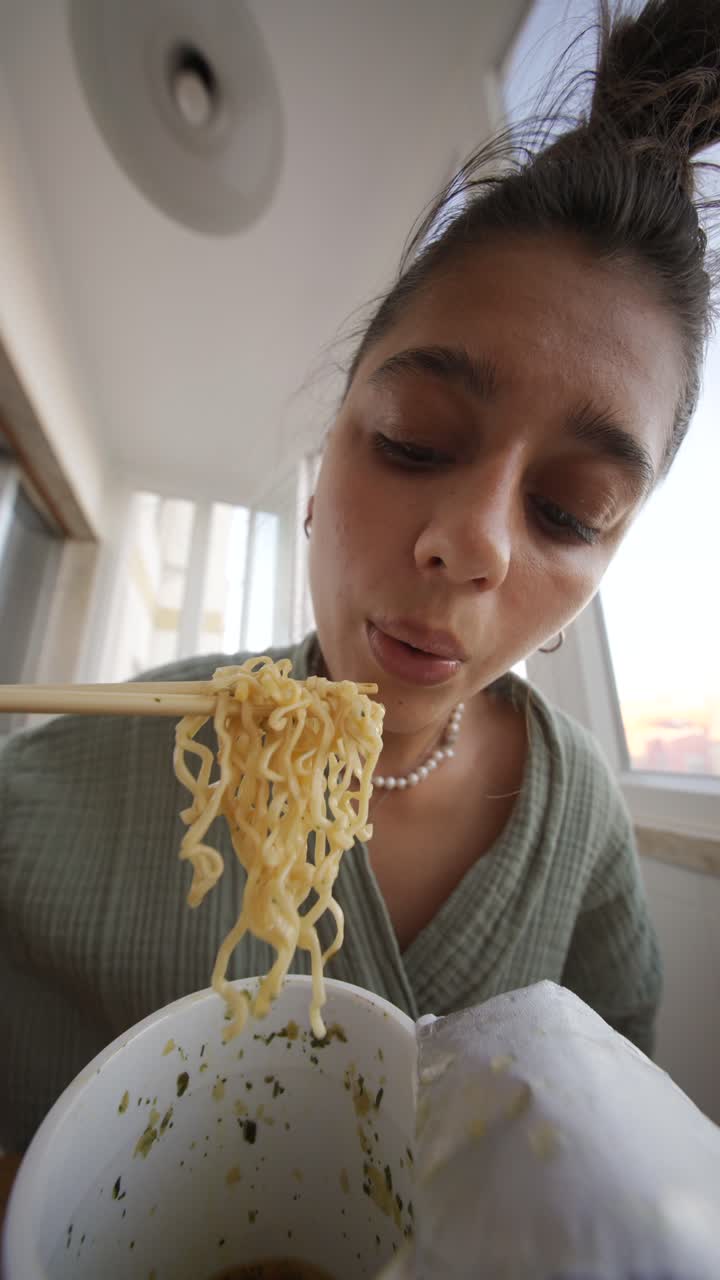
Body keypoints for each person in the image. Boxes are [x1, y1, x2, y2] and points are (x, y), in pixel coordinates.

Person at [2, 0, 719, 1156]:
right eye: (413, 440)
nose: (473, 544)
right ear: (318, 476)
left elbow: (615, 1130)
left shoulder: (579, 817)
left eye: (569, 511)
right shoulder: (90, 765)